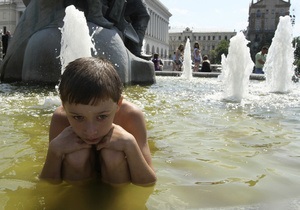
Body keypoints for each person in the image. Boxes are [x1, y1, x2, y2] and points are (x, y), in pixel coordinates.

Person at [40, 57, 157, 186]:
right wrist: (54, 150)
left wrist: (130, 145)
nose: (90, 131)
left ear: (118, 104)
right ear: (65, 106)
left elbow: (149, 182)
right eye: (78, 117)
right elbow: (48, 183)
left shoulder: (131, 115)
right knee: (76, 158)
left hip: (117, 181)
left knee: (113, 156)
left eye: (101, 117)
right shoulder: (61, 117)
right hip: (80, 182)